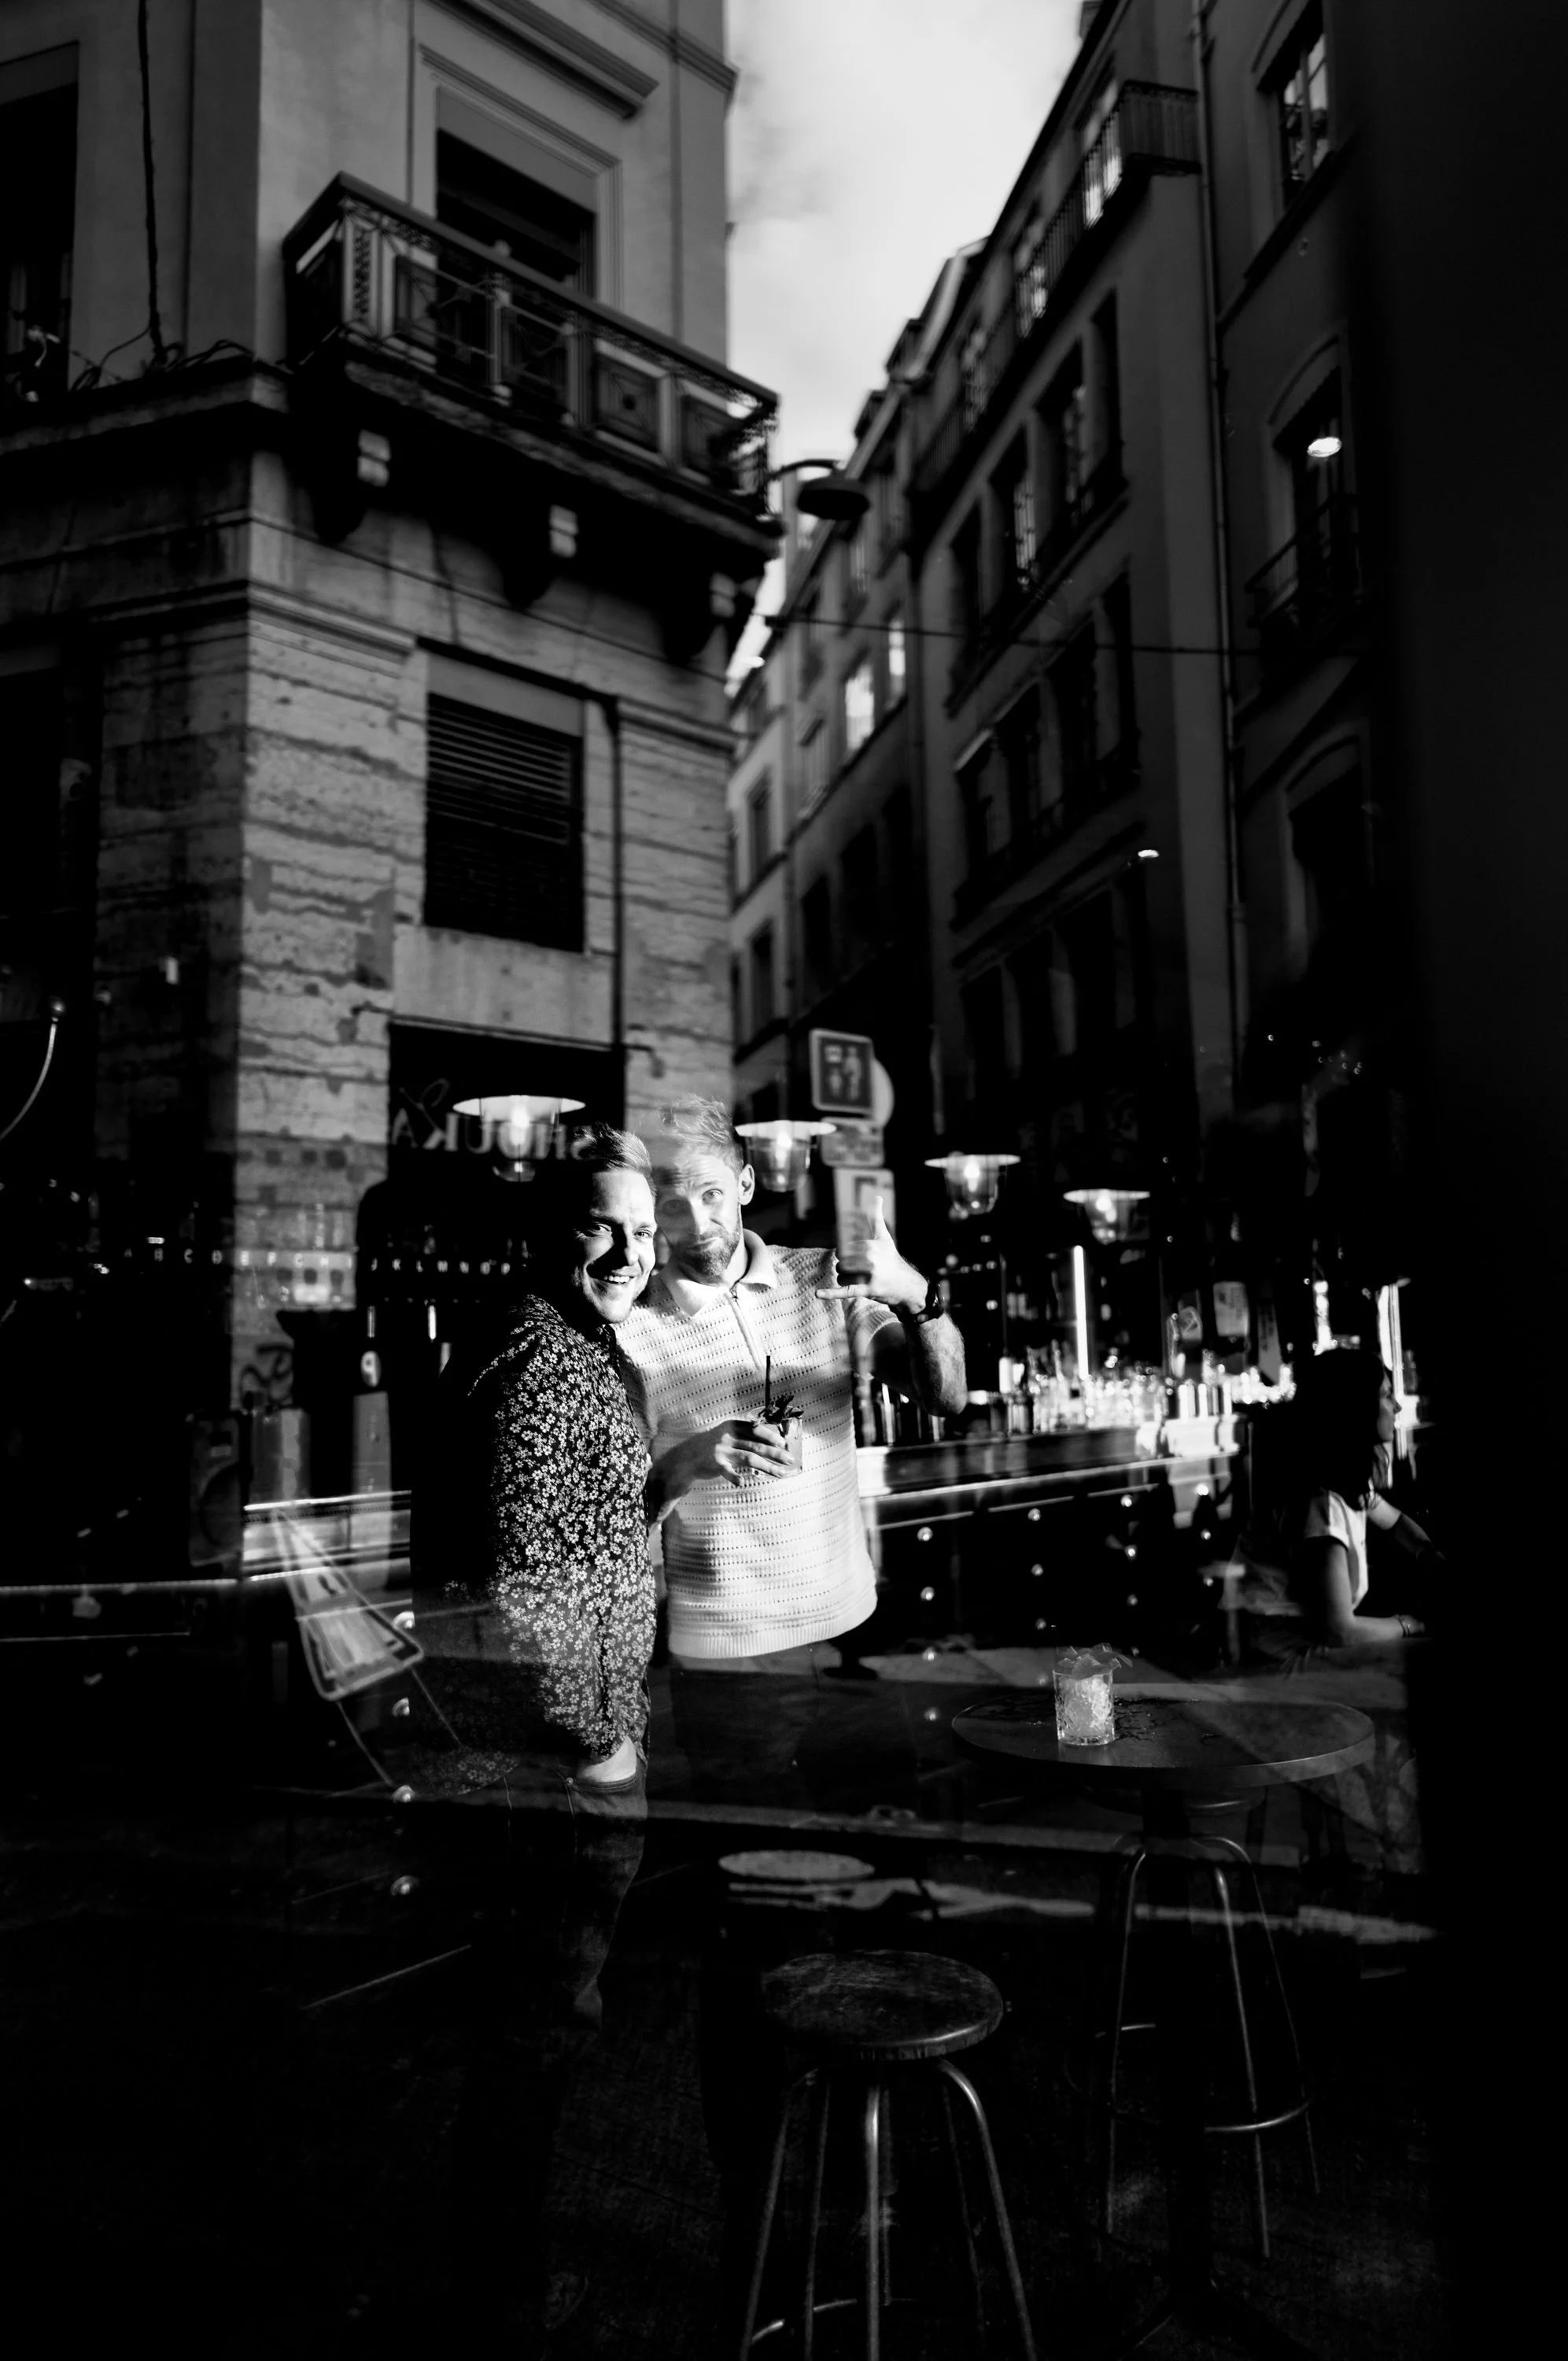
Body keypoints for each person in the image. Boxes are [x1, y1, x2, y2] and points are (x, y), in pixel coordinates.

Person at [400, 1124, 660, 2353]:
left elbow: (582, 1530)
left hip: (541, 1752)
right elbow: (529, 1589)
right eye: (601, 1225)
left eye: (646, 1232)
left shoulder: (557, 1342)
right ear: (554, 1231)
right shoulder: (549, 1365)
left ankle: (488, 2289)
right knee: (535, 2039)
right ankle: (499, 2308)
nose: (627, 1252)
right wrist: (604, 1744)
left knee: (529, 2035)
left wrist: (675, 1473)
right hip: (560, 1768)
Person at [620, 1095, 968, 1706]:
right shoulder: (631, 1327)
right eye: (672, 1204)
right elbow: (617, 1519)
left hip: (852, 1627)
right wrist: (687, 1461)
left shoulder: (824, 1279)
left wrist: (914, 1295)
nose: (697, 1223)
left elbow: (946, 1399)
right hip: (727, 1660)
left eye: (711, 1195)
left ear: (746, 1183)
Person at [1236, 1347, 1441, 1671]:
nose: (1397, 1406)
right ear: (1354, 1408)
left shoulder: (1342, 1479)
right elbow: (1340, 1632)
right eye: (1387, 1396)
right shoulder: (1320, 1503)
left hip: (1304, 1651)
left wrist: (1430, 1557)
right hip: (1282, 1666)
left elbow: (1396, 1522)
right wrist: (1411, 1624)